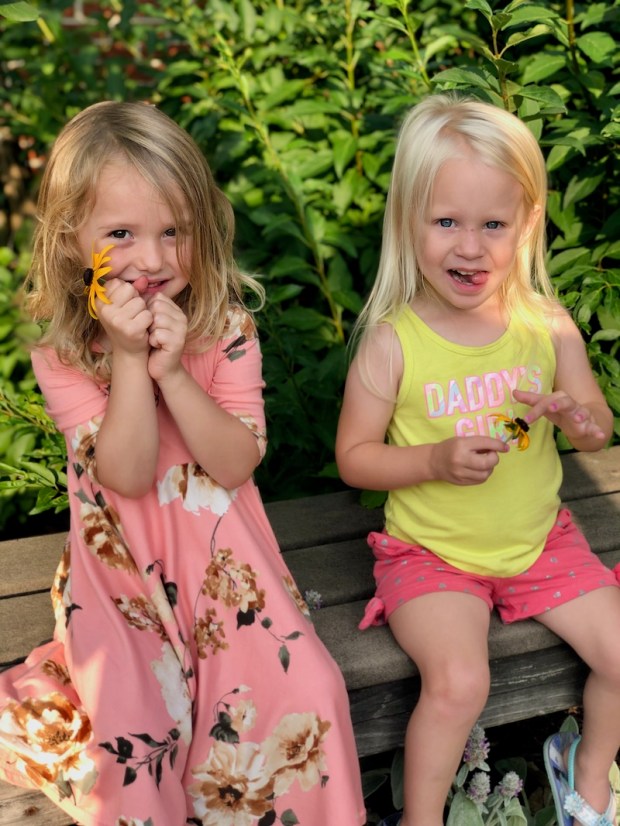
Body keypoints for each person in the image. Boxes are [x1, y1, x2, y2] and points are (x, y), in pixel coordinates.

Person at [0, 100, 366, 826]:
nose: (153, 259)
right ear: (73, 242)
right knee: (138, 745)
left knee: (313, 693)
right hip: (123, 584)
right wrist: (129, 360)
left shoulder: (225, 327)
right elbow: (127, 474)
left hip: (228, 572)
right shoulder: (64, 354)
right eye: (121, 234)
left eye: (175, 231)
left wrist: (172, 373)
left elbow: (236, 463)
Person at [335, 94, 620, 826]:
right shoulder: (394, 341)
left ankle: (586, 776)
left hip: (539, 544)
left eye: (493, 224)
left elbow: (598, 429)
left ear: (527, 223)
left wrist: (577, 417)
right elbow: (355, 459)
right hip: (432, 555)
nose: (470, 248)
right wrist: (432, 460)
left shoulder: (546, 326)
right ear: (409, 222)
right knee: (460, 682)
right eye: (446, 223)